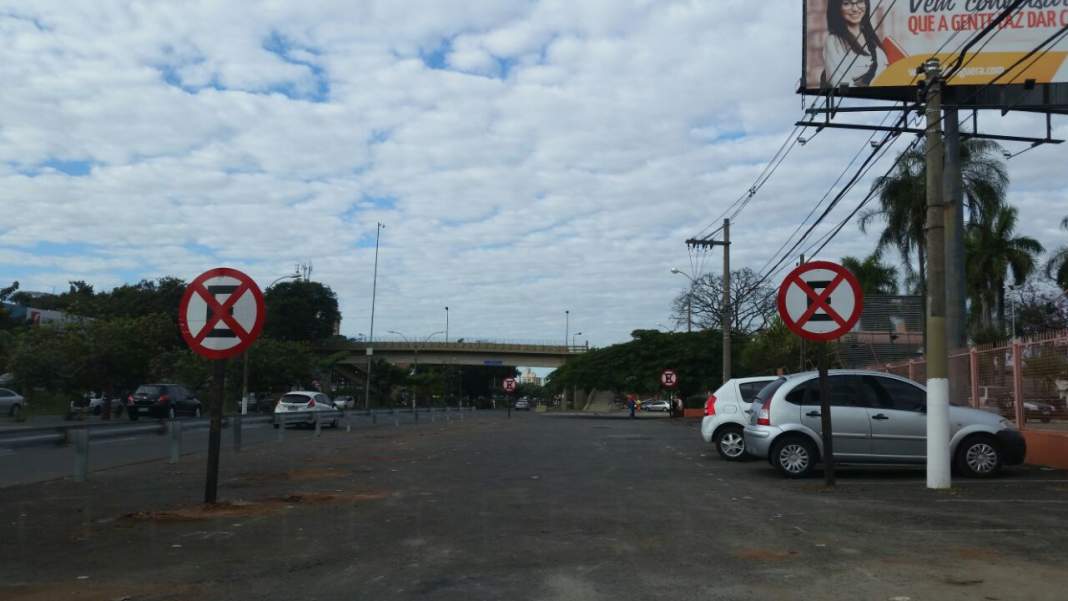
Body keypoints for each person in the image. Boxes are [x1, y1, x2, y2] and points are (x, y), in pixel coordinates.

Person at [821, 0, 888, 88]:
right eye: (847, 4)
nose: (855, 9)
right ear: (837, 8)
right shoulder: (833, 42)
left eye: (860, 1)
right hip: (854, 100)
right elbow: (839, 83)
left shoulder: (872, 40)